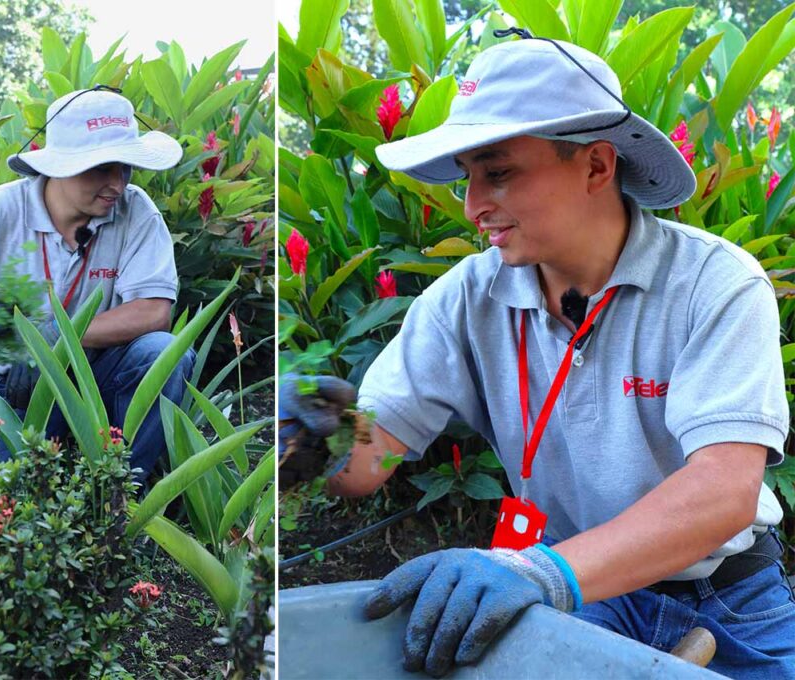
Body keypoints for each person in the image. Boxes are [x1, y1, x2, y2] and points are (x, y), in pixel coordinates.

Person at [302, 33, 793, 678]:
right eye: (468, 178)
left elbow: (723, 494)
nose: (474, 206)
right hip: (578, 592)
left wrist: (542, 570)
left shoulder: (714, 282)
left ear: (595, 166)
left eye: (499, 172)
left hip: (727, 602)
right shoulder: (466, 300)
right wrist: (316, 431)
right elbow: (370, 459)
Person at [0, 87, 194, 482]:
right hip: (20, 382)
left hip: (102, 374)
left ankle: (124, 487)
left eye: (125, 167)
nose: (117, 184)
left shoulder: (137, 212)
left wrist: (56, 337)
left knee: (163, 354)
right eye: (101, 168)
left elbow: (154, 312)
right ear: (59, 166)